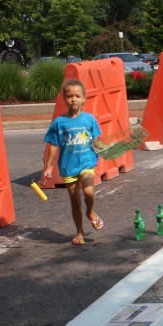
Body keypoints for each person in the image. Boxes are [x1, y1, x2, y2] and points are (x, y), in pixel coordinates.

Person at [42, 79, 105, 245]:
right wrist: (48, 166)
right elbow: (54, 145)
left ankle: (91, 212)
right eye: (70, 96)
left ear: (84, 98)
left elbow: (96, 140)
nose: (74, 99)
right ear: (64, 98)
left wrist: (104, 150)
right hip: (68, 167)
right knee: (75, 202)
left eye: (78, 96)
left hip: (87, 162)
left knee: (89, 192)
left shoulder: (89, 119)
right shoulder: (59, 122)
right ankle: (79, 232)